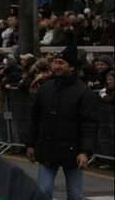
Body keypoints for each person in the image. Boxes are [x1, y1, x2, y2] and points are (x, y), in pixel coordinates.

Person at [26, 45, 99, 200]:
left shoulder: (84, 92)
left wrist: (85, 151)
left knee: (75, 195)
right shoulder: (45, 88)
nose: (56, 66)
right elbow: (35, 119)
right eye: (56, 62)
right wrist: (30, 144)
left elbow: (89, 124)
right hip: (48, 148)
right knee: (43, 192)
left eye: (61, 63)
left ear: (71, 67)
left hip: (73, 151)